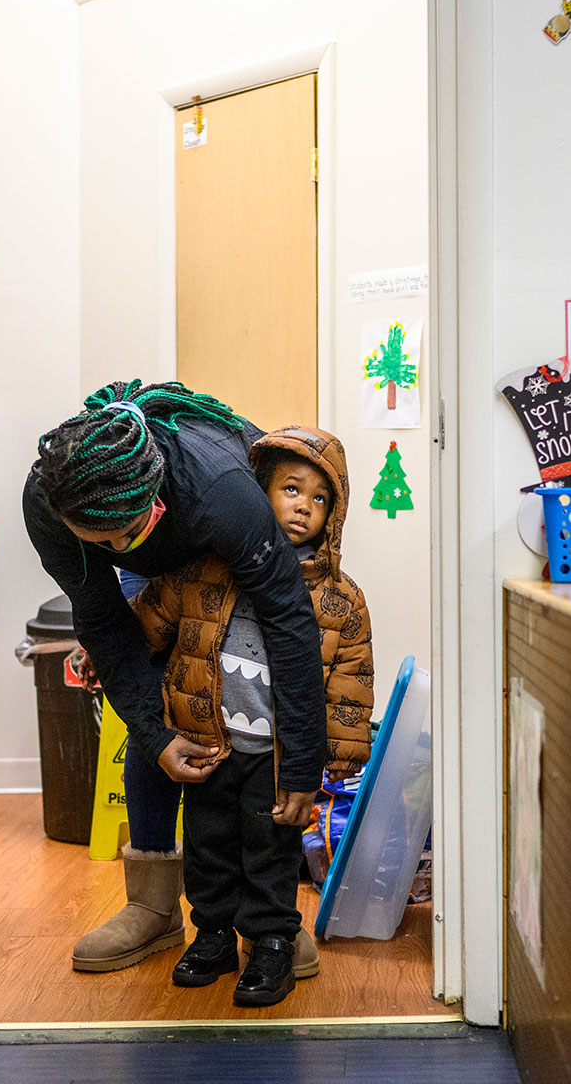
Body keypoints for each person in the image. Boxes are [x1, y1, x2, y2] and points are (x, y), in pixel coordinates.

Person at [23, 381, 328, 976]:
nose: (112, 547)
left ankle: (269, 920)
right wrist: (157, 734)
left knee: (252, 699)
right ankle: (154, 906)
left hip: (226, 539)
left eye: (121, 533)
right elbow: (105, 624)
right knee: (158, 700)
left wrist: (302, 763)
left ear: (153, 495)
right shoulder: (51, 502)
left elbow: (292, 621)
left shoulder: (224, 492)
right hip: (157, 556)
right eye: (99, 540)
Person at [131, 426, 373, 1006]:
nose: (303, 507)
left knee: (271, 852)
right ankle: (211, 933)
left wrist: (328, 763)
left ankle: (269, 943)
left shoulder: (341, 599)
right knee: (209, 843)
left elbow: (350, 684)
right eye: (291, 489)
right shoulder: (207, 566)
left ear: (333, 516)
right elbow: (158, 616)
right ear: (259, 492)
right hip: (208, 744)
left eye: (320, 500)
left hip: (277, 759)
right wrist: (110, 647)